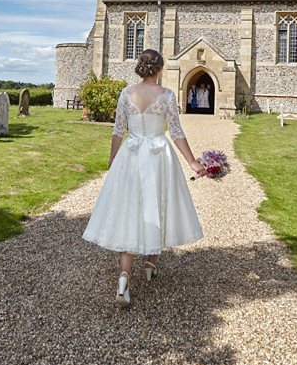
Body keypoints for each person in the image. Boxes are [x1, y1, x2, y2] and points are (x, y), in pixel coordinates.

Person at [83, 49, 206, 307]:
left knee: (130, 210)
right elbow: (176, 132)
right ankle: (150, 263)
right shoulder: (167, 95)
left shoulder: (126, 93)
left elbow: (119, 130)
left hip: (131, 154)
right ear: (160, 69)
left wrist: (113, 157)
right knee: (157, 204)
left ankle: (124, 278)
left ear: (140, 67)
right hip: (159, 156)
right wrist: (193, 162)